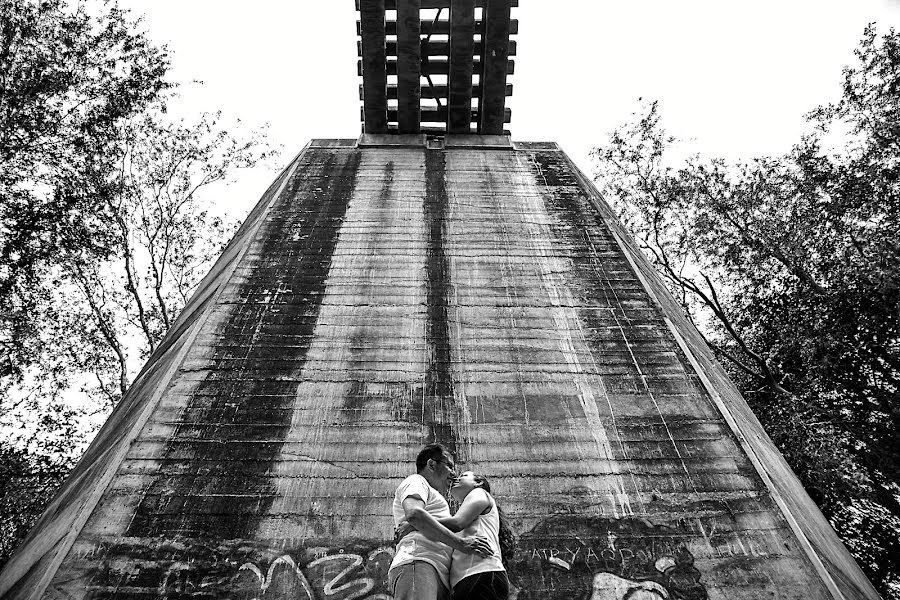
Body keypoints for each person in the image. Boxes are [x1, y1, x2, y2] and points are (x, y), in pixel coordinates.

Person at [388, 444, 493, 600]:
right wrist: (461, 544)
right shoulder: (416, 481)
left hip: (435, 571)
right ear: (432, 464)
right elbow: (414, 514)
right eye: (449, 466)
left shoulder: (433, 495)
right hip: (419, 562)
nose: (454, 474)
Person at [443, 471, 514, 600]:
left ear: (478, 483)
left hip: (480, 575)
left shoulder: (479, 493)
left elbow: (456, 523)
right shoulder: (470, 512)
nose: (456, 478)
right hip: (473, 579)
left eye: (463, 476)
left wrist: (416, 523)